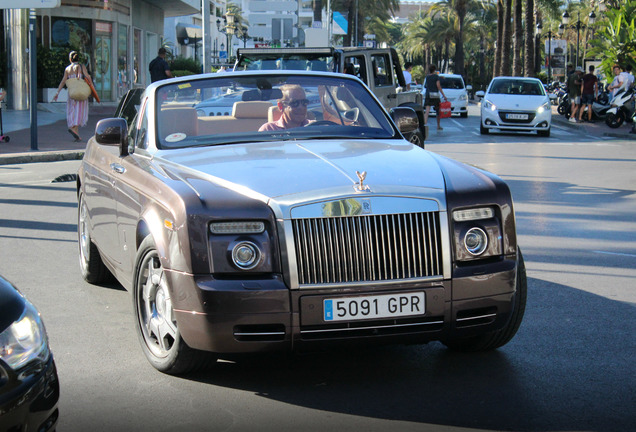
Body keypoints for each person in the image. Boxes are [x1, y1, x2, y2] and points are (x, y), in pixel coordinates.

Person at [52, 51, 91, 141]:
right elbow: (87, 77)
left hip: (71, 92)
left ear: (70, 59)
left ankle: (76, 133)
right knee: (79, 111)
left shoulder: (67, 69)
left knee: (72, 111)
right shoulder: (81, 67)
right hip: (80, 92)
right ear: (78, 58)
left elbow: (63, 81)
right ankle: (73, 129)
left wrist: (57, 93)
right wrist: (91, 86)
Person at [423, 64, 448, 131]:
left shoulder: (427, 77)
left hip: (428, 95)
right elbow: (438, 86)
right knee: (437, 111)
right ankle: (438, 125)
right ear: (434, 70)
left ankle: (425, 124)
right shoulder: (436, 77)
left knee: (427, 111)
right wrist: (444, 95)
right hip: (435, 96)